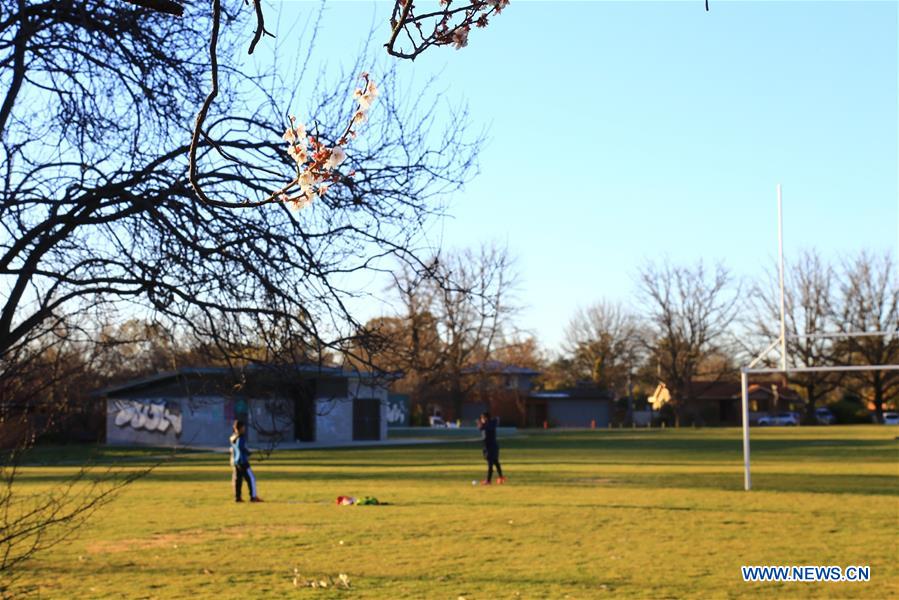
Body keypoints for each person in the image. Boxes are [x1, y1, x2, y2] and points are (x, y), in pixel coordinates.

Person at [230, 420, 263, 502]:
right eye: (243, 427)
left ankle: (238, 498)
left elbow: (234, 449)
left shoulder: (233, 437)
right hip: (243, 462)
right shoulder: (241, 438)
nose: (244, 428)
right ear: (240, 428)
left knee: (238, 480)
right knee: (251, 479)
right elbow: (241, 447)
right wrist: (248, 452)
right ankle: (253, 497)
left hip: (236, 462)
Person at [478, 412, 506, 485]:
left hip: (489, 447)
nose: (481, 420)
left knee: (490, 464)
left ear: (485, 418)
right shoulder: (492, 423)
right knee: (496, 462)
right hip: (493, 446)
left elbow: (482, 428)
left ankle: (488, 481)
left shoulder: (486, 425)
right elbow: (497, 419)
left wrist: (481, 425)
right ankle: (501, 477)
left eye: (482, 418)